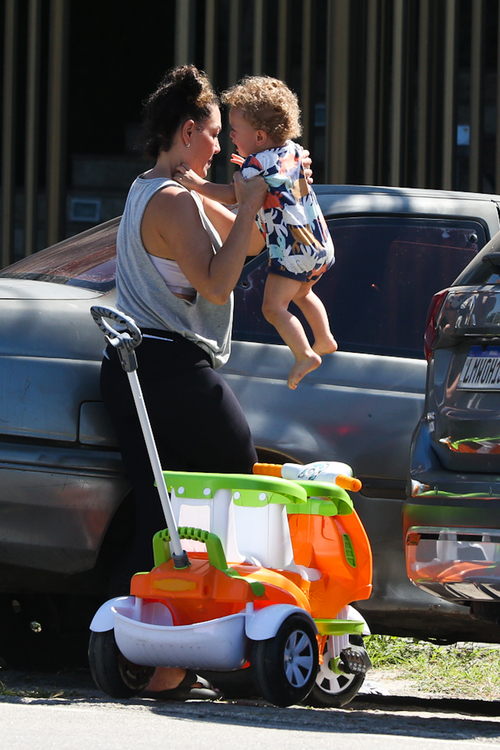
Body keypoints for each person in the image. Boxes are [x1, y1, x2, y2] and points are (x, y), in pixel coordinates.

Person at [99, 64, 269, 701]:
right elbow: (219, 282)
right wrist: (248, 202)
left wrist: (262, 195)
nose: (223, 146)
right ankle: (220, 636)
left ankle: (156, 655)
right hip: (166, 368)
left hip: (140, 369)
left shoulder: (167, 185)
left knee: (159, 512)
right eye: (217, 133)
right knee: (239, 477)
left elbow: (242, 245)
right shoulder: (171, 200)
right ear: (190, 130)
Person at [174, 75, 336, 390]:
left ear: (259, 136)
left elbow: (235, 196)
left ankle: (304, 354)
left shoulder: (254, 167)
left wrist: (196, 184)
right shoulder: (292, 152)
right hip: (319, 246)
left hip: (291, 251)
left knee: (273, 307)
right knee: (302, 293)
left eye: (235, 130)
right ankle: (325, 338)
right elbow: (277, 175)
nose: (231, 136)